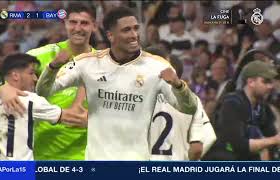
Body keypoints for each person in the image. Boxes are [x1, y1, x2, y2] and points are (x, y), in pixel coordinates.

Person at [35, 6, 197, 160]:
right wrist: (52, 67)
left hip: (135, 163)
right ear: (110, 36)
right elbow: (44, 91)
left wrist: (179, 86)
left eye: (136, 28)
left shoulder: (157, 66)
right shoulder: (87, 63)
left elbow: (188, 108)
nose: (134, 35)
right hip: (96, 163)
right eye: (127, 30)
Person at [0, 54, 87, 160]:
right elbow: (73, 117)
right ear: (15, 76)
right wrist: (85, 83)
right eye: (31, 73)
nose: (35, 79)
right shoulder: (28, 99)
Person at [25, 3, 97, 160]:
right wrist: (5, 89)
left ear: (94, 26)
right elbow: (7, 78)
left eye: (84, 23)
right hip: (44, 155)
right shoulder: (40, 55)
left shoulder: (104, 63)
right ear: (65, 24)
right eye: (73, 22)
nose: (78, 28)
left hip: (87, 157)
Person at [203, 60, 280, 160]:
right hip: (223, 161)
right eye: (266, 81)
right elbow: (239, 145)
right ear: (251, 82)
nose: (270, 86)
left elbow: (271, 134)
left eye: (271, 82)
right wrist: (273, 140)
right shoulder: (232, 103)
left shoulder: (262, 107)